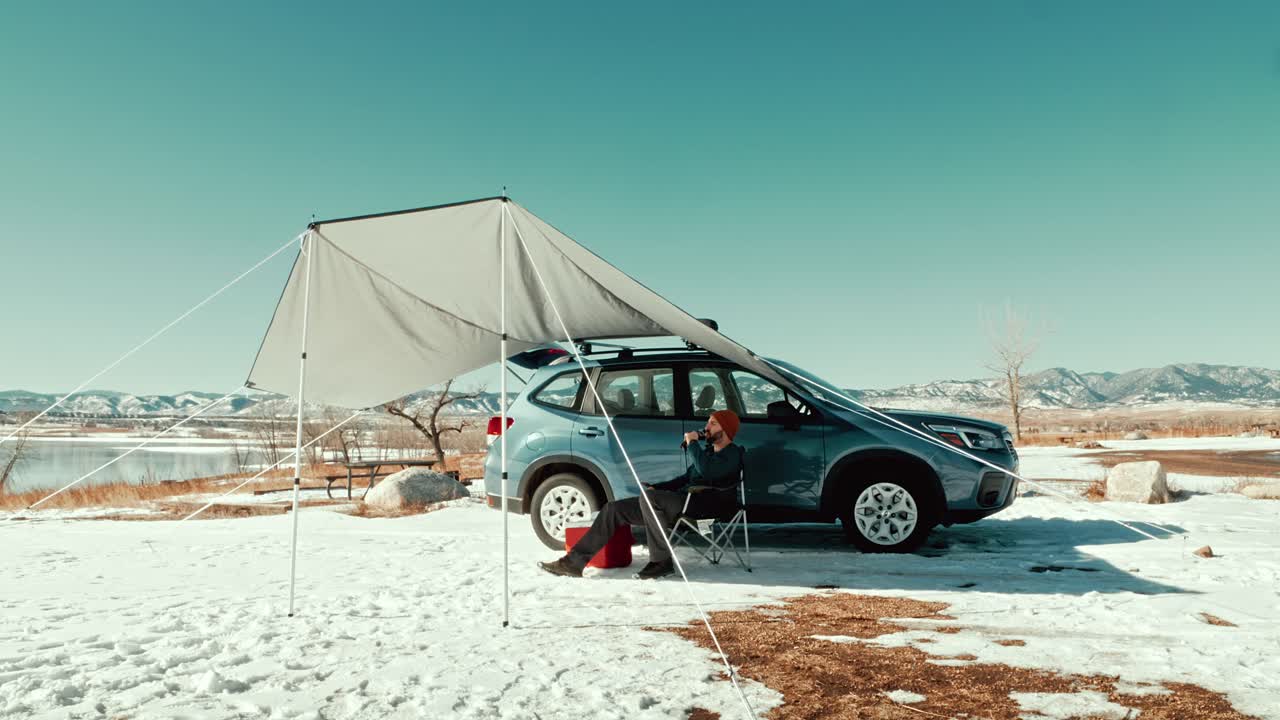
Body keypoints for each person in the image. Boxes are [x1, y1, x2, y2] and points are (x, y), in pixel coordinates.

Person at [538, 410, 745, 580]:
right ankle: (574, 562)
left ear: (726, 430)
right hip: (685, 501)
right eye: (708, 422)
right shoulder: (707, 453)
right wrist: (657, 487)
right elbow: (684, 479)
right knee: (614, 509)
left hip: (707, 505)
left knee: (651, 500)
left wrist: (692, 443)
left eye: (713, 424)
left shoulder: (733, 454)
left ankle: (660, 562)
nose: (707, 427)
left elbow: (708, 471)